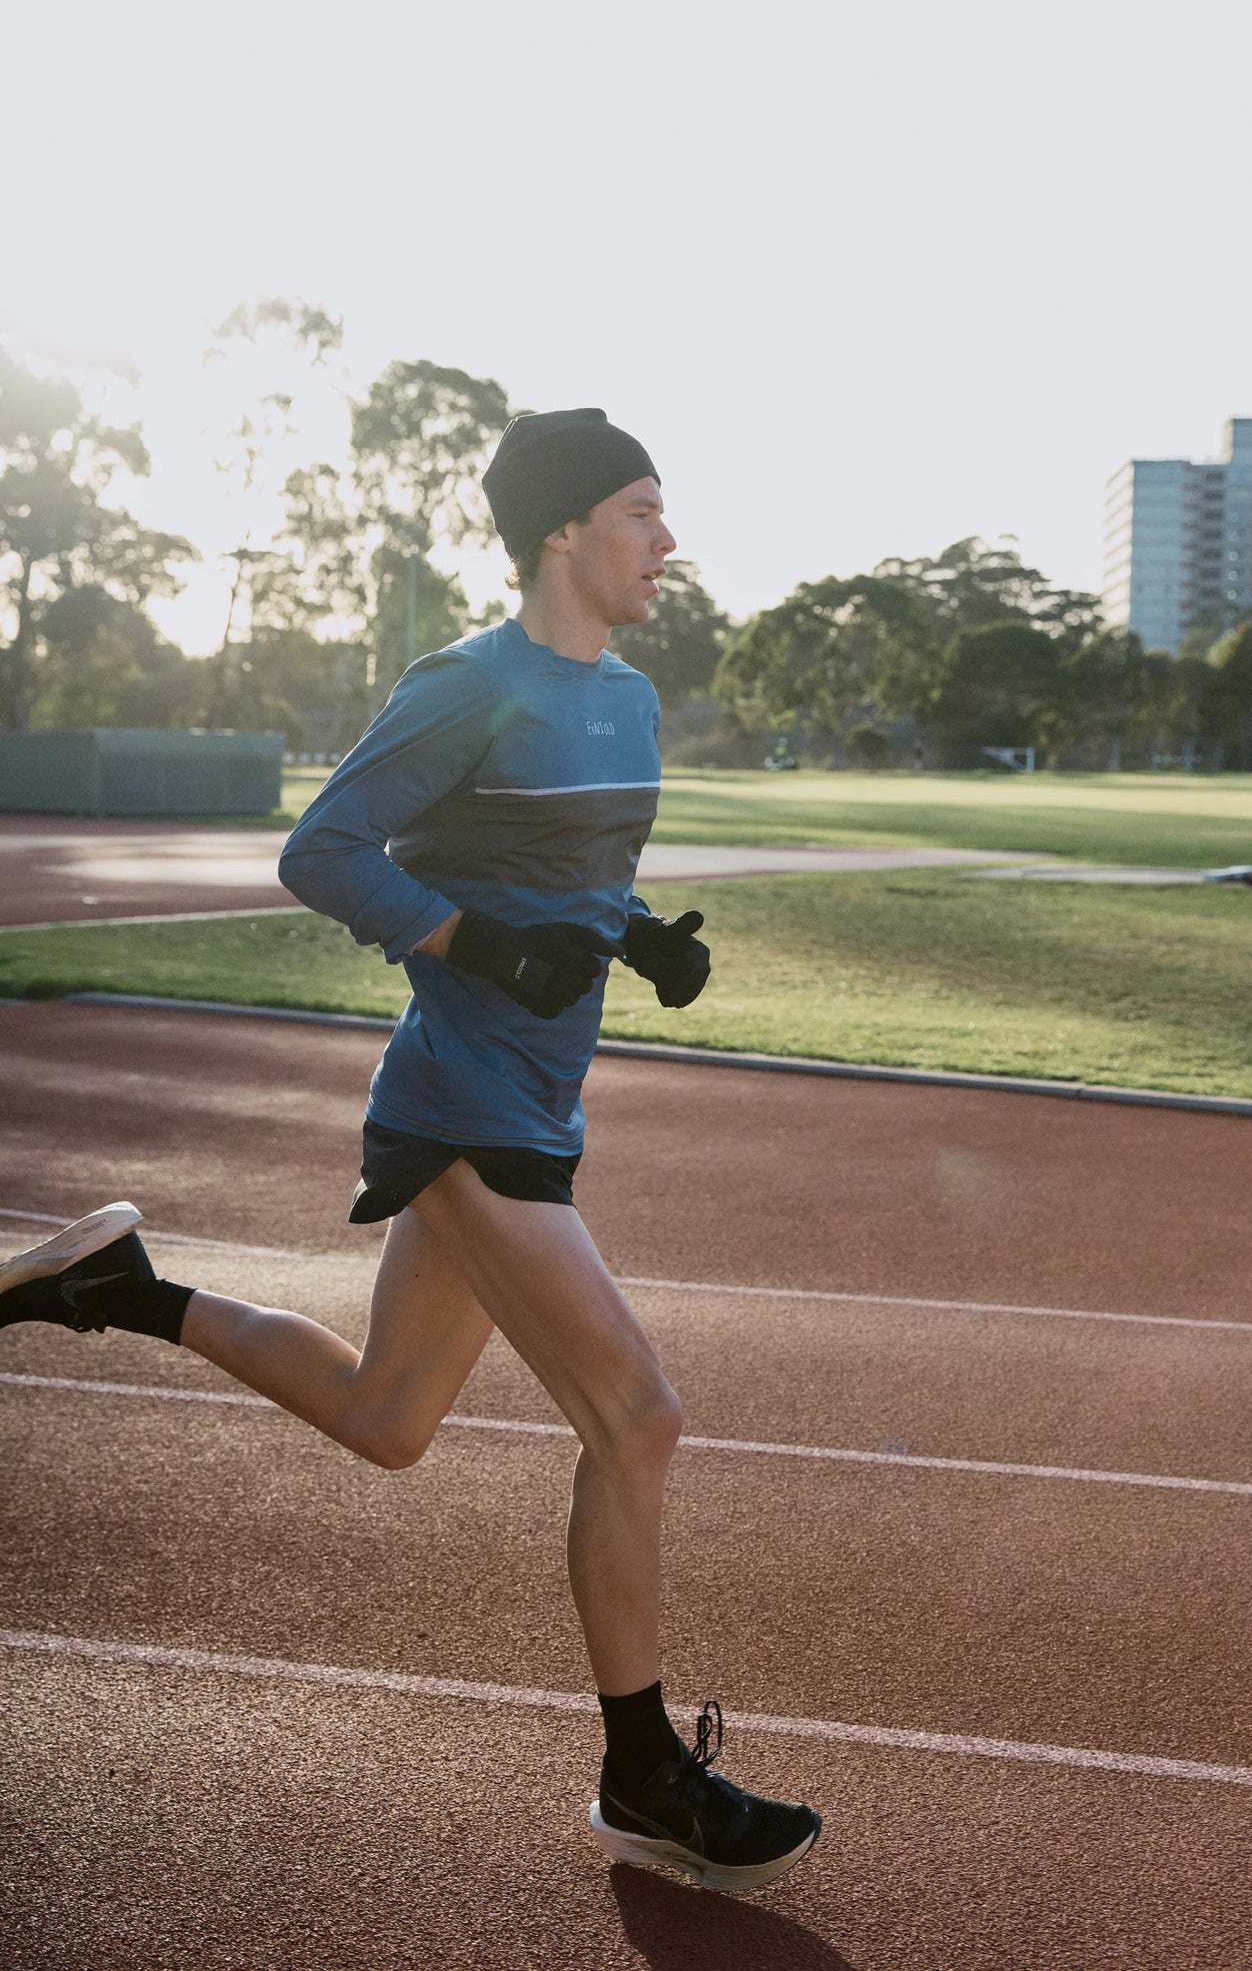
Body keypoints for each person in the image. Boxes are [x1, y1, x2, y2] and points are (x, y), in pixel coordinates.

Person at [0, 408, 822, 1895]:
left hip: (540, 1096)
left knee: (387, 1420)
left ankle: (115, 1289)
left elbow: (566, 867)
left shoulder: (627, 698)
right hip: (461, 1101)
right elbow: (322, 848)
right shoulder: (468, 686)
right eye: (642, 511)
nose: (667, 540)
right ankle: (642, 1776)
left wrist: (638, 937)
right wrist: (473, 946)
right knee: (637, 1419)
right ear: (563, 531)